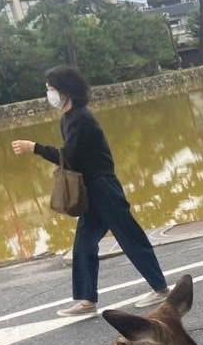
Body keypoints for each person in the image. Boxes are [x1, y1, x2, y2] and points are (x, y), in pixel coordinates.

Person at [11, 67, 169, 316]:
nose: (49, 94)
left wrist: (35, 148)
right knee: (84, 244)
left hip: (102, 187)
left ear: (66, 91)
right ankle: (87, 300)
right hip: (90, 190)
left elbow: (69, 157)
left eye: (51, 88)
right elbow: (74, 159)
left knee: (129, 237)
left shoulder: (81, 118)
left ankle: (160, 288)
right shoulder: (69, 119)